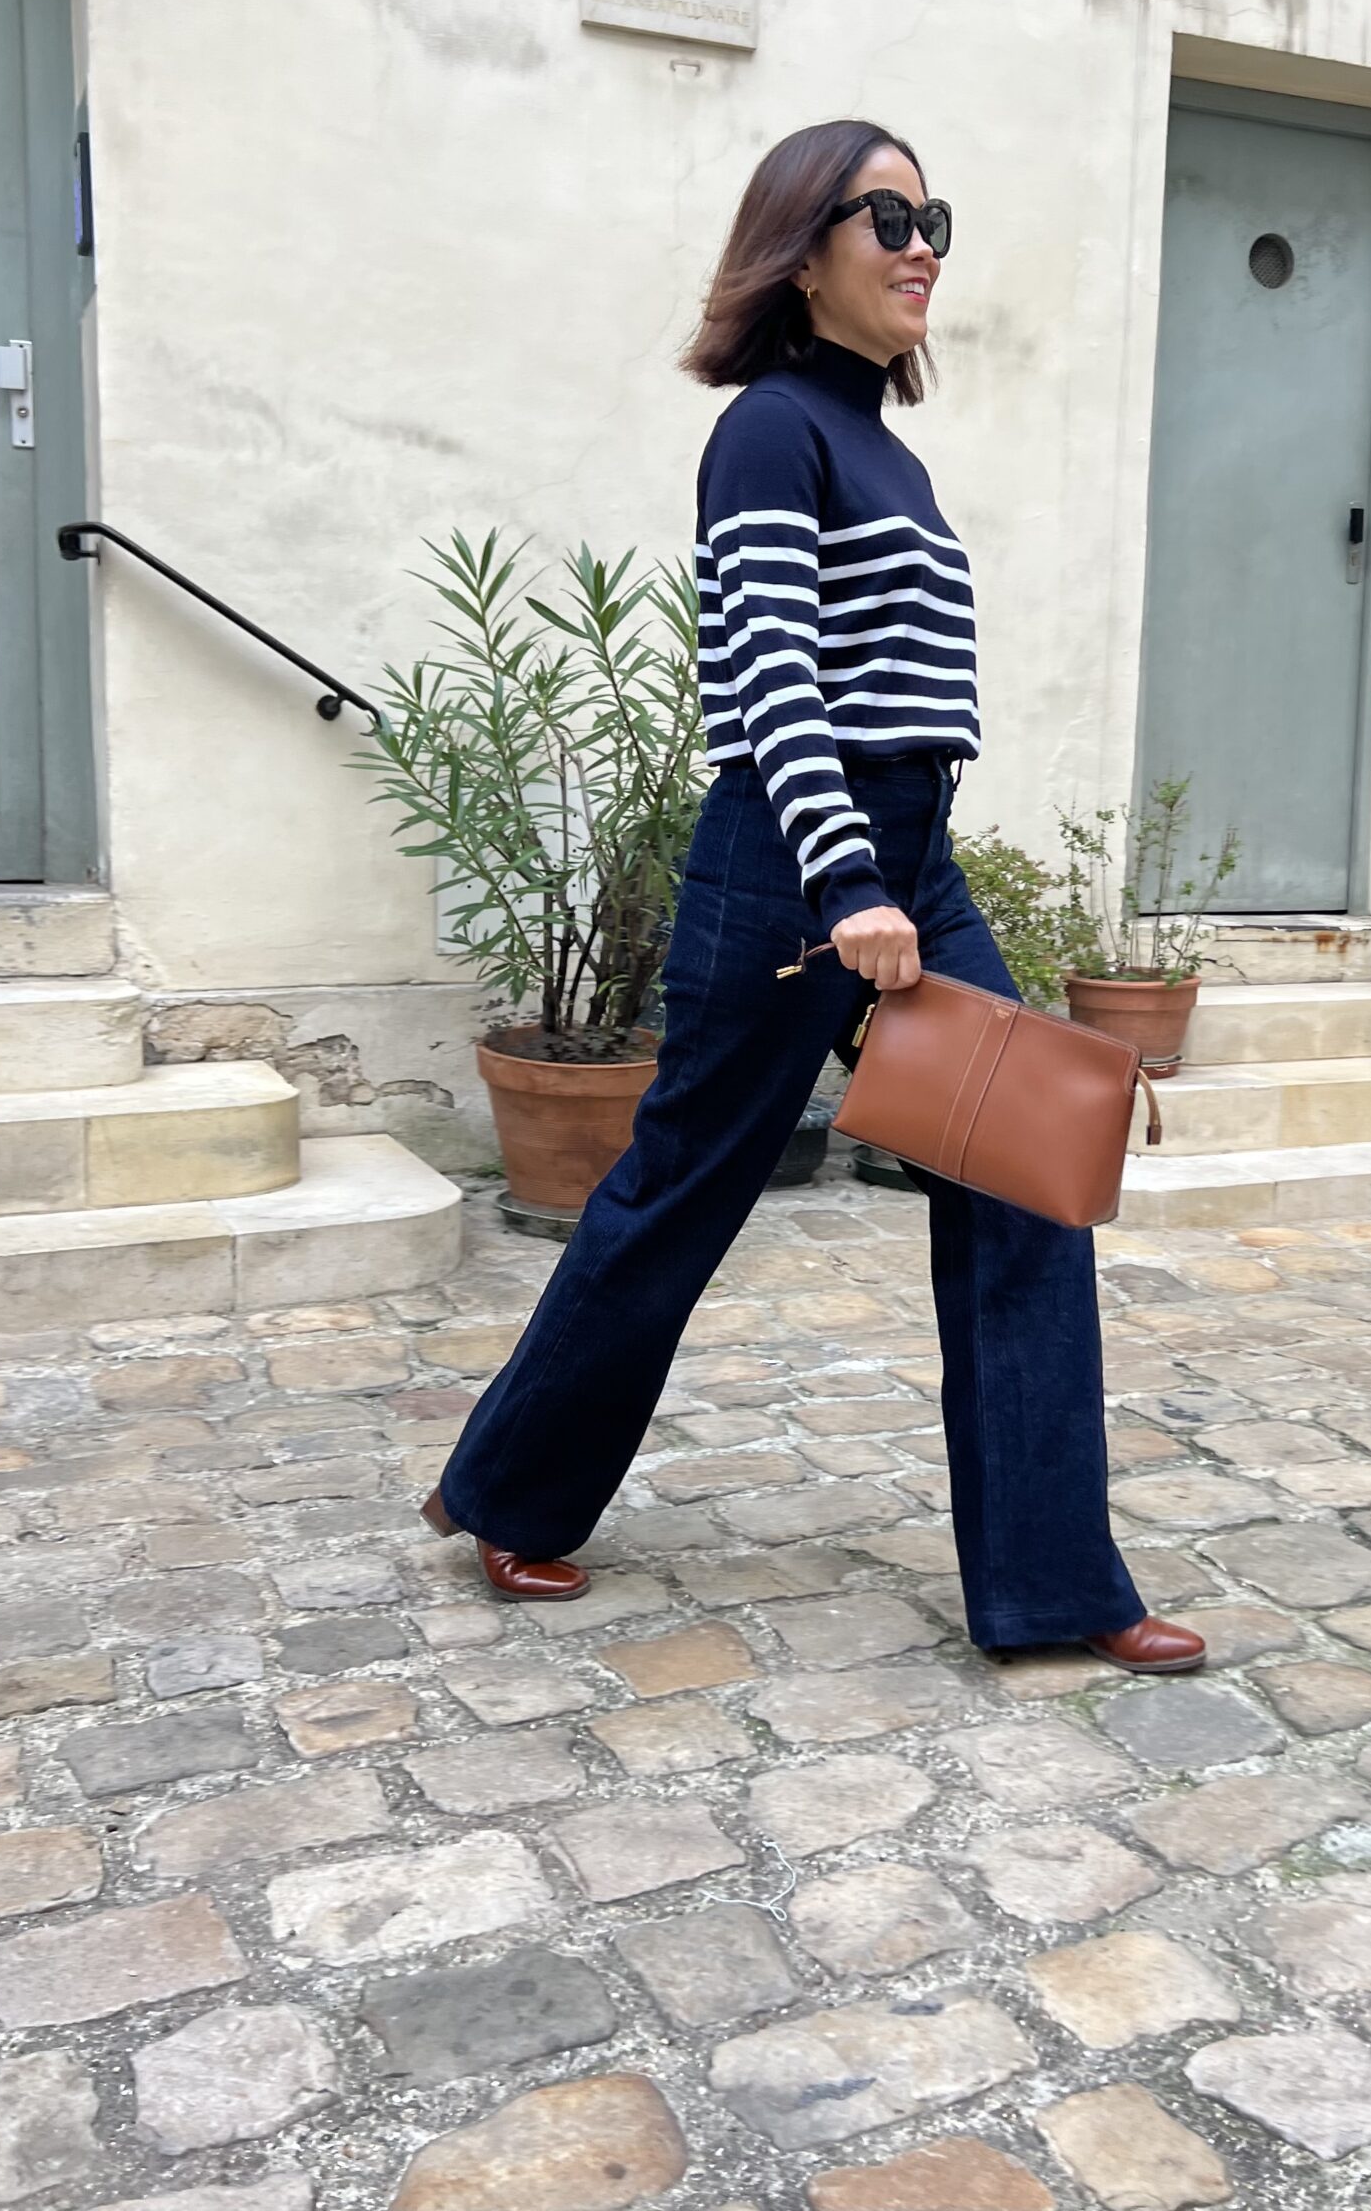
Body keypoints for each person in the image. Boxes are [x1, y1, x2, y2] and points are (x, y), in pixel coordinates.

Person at [422, 118, 1206, 1675]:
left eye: (937, 221)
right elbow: (768, 670)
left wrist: (897, 870)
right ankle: (509, 1487)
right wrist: (847, 878)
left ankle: (1057, 1586)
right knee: (682, 1192)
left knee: (1030, 1183)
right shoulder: (770, 431)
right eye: (888, 216)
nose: (923, 246)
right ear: (804, 243)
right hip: (795, 870)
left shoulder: (885, 451)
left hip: (907, 860)